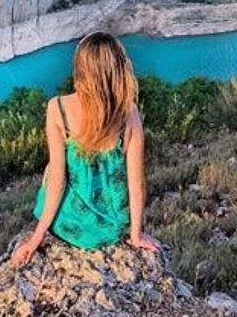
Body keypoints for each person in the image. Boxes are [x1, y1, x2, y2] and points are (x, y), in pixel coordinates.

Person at [11, 32, 161, 266]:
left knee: (53, 169)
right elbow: (137, 184)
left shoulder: (57, 108)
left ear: (80, 69)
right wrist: (135, 234)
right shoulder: (129, 112)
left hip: (72, 225)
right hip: (114, 225)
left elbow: (58, 181)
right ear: (118, 69)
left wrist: (36, 238)